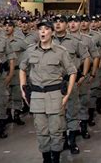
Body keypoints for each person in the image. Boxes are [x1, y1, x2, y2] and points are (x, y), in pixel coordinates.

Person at [19, 18, 77, 163]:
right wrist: (23, 88)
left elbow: (72, 72)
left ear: (51, 32)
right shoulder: (30, 50)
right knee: (41, 131)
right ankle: (46, 158)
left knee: (56, 131)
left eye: (46, 29)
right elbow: (22, 68)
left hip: (55, 94)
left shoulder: (60, 51)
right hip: (37, 95)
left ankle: (56, 158)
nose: (42, 31)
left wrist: (67, 94)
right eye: (40, 29)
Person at [52, 15, 91, 154]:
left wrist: (84, 75)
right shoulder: (48, 41)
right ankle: (62, 140)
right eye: (55, 22)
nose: (58, 24)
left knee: (72, 111)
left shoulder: (75, 41)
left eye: (61, 21)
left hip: (70, 81)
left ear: (66, 25)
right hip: (53, 84)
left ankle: (72, 141)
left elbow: (86, 57)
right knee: (56, 113)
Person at [4, 18, 28, 126]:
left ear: (13, 28)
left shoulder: (19, 41)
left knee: (17, 94)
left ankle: (17, 114)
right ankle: (8, 115)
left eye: (9, 25)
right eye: (5, 25)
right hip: (5, 71)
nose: (7, 27)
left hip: (17, 70)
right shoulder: (1, 41)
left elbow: (28, 51)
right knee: (6, 94)